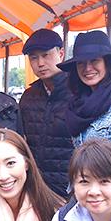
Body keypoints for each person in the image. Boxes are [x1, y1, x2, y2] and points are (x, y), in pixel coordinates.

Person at [17, 28, 74, 198]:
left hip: (70, 188)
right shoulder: (28, 97)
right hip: (36, 188)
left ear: (61, 54)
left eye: (46, 55)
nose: (40, 63)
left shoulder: (78, 92)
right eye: (34, 58)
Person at [59, 30, 111, 146]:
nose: (88, 68)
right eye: (81, 63)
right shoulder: (76, 105)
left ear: (107, 63)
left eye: (94, 60)